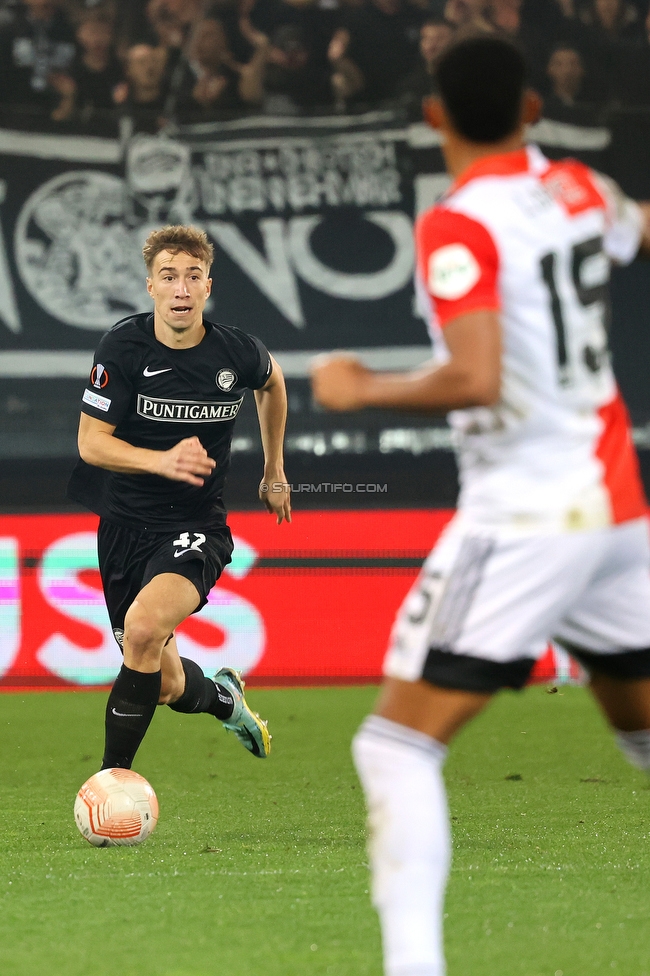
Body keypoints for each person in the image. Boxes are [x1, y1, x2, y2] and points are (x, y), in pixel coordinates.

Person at [311, 35, 650, 976]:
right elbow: (639, 227)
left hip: (532, 516)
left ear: (433, 116)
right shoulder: (578, 190)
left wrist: (359, 387)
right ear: (534, 108)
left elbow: (476, 374)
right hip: (619, 512)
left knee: (394, 750)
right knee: (643, 738)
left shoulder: (460, 224)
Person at [68, 224, 291, 772]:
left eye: (193, 277)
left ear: (207, 286)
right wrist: (159, 460)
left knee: (143, 629)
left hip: (195, 528)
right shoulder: (122, 347)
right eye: (169, 277)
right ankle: (226, 701)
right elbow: (90, 443)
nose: (182, 289)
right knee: (163, 681)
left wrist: (275, 468)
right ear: (151, 287)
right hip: (122, 528)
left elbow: (272, 382)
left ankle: (111, 781)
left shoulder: (233, 351)